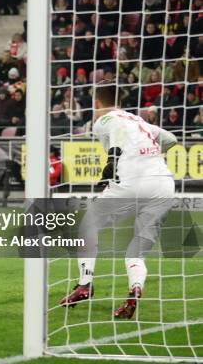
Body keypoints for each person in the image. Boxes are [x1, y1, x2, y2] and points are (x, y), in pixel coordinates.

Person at [59, 85, 177, 320]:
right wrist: (146, 153)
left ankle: (85, 284)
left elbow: (117, 134)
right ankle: (135, 289)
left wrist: (113, 159)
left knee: (88, 226)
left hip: (131, 183)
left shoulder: (105, 120)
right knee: (137, 250)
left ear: (97, 104)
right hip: (163, 184)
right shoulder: (139, 120)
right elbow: (170, 139)